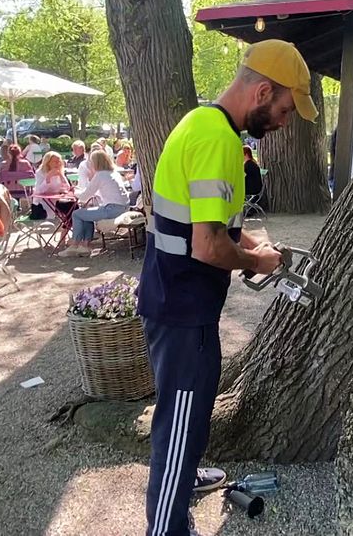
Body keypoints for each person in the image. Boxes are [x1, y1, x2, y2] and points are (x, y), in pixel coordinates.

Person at [136, 39, 312, 535]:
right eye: (282, 109)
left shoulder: (202, 123)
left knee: (185, 407)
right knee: (182, 421)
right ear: (260, 92)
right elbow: (208, 247)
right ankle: (168, 524)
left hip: (173, 298)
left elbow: (212, 225)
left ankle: (185, 473)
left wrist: (255, 243)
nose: (282, 122)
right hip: (183, 305)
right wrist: (255, 258)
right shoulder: (219, 142)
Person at [56, 150, 128, 257]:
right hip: (122, 207)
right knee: (85, 214)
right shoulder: (113, 173)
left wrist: (74, 191)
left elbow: (85, 197)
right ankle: (84, 246)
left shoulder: (100, 175)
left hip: (112, 209)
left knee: (76, 214)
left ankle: (75, 245)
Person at [33, 151, 71, 218]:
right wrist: (48, 178)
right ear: (48, 163)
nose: (57, 164)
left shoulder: (60, 171)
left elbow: (67, 188)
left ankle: (68, 226)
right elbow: (39, 191)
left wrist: (61, 176)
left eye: (59, 161)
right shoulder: (40, 172)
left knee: (72, 206)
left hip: (56, 200)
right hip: (42, 202)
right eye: (55, 161)